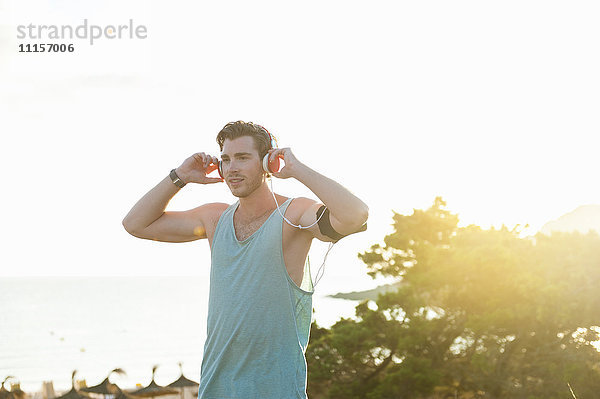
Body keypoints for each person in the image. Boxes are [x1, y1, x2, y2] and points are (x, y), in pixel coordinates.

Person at [122, 121, 368, 399]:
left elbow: (355, 214)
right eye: (226, 159)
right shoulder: (214, 218)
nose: (231, 168)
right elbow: (135, 224)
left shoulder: (294, 215)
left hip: (275, 390)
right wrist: (180, 176)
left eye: (242, 158)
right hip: (216, 389)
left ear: (267, 163)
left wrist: (297, 169)